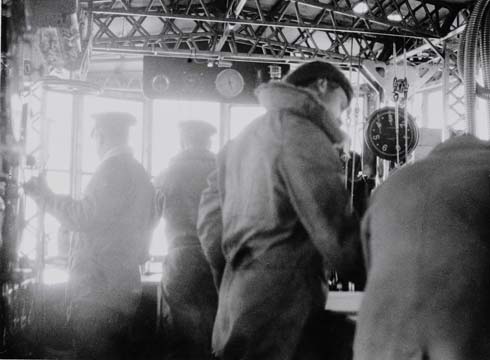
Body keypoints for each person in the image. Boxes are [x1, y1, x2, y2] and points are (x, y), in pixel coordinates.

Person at [197, 61, 363, 360]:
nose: (340, 117)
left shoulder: (243, 138)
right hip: (285, 315)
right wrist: (386, 273)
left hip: (237, 306)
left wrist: (234, 275)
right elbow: (337, 235)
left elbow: (210, 226)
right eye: (342, 105)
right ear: (323, 86)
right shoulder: (303, 134)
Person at [24, 112, 155, 360]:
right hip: (122, 289)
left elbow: (84, 217)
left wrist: (44, 196)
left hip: (98, 291)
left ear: (101, 136)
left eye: (93, 136)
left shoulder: (112, 168)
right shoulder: (139, 173)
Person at [354, 134, 490, 360]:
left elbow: (368, 262)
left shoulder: (394, 183)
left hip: (380, 339)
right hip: (458, 338)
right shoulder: (483, 175)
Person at [154, 120, 218, 360]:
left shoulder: (167, 174)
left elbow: (151, 215)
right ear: (209, 142)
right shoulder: (223, 172)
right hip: (216, 258)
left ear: (182, 142)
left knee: (180, 334)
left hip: (181, 257)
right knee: (214, 333)